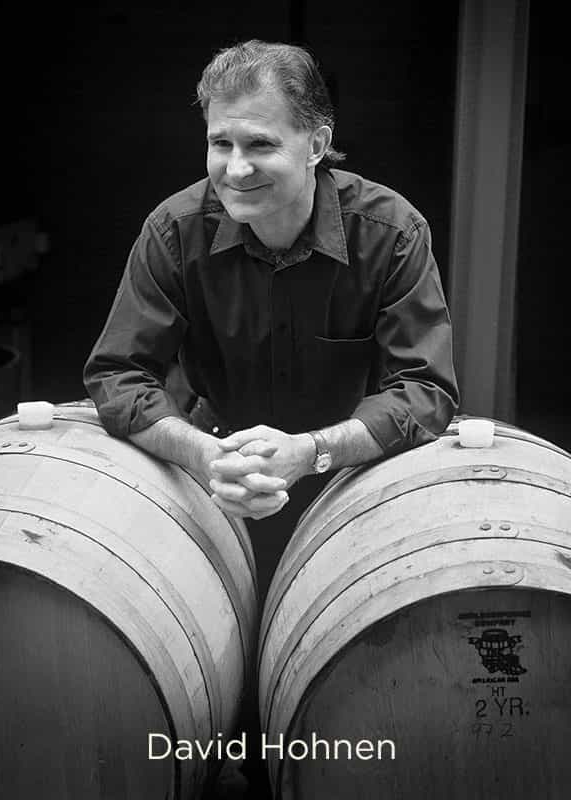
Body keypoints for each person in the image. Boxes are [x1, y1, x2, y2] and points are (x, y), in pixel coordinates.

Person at [83, 39, 459, 600]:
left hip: (353, 487)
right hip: (212, 483)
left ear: (316, 145)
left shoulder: (392, 233)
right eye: (220, 143)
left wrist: (309, 452)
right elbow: (117, 375)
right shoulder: (173, 229)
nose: (235, 169)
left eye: (260, 144)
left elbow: (425, 391)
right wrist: (207, 455)